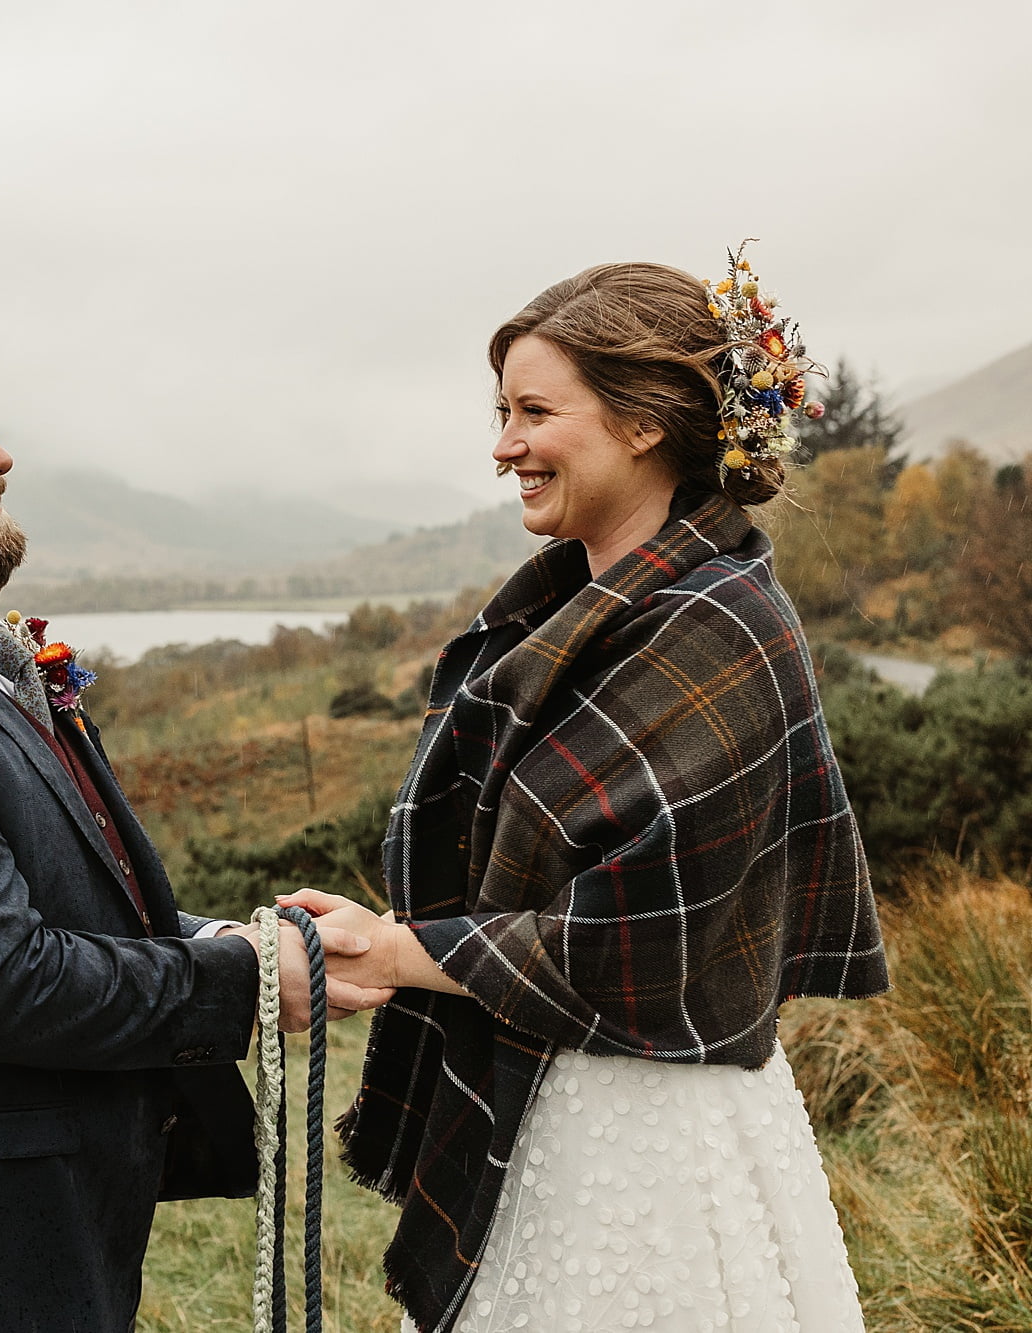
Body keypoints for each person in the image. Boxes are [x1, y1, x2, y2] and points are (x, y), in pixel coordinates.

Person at [282, 254, 890, 1333]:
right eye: (500, 410)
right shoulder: (576, 611)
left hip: (650, 1130)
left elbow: (633, 944)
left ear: (642, 424)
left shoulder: (717, 628)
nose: (502, 443)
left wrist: (395, 951)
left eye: (532, 411)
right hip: (549, 1100)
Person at [0, 328, 387, 1331]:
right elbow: (2, 983)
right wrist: (247, 981)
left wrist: (222, 938)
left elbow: (73, 901)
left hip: (50, 1228)